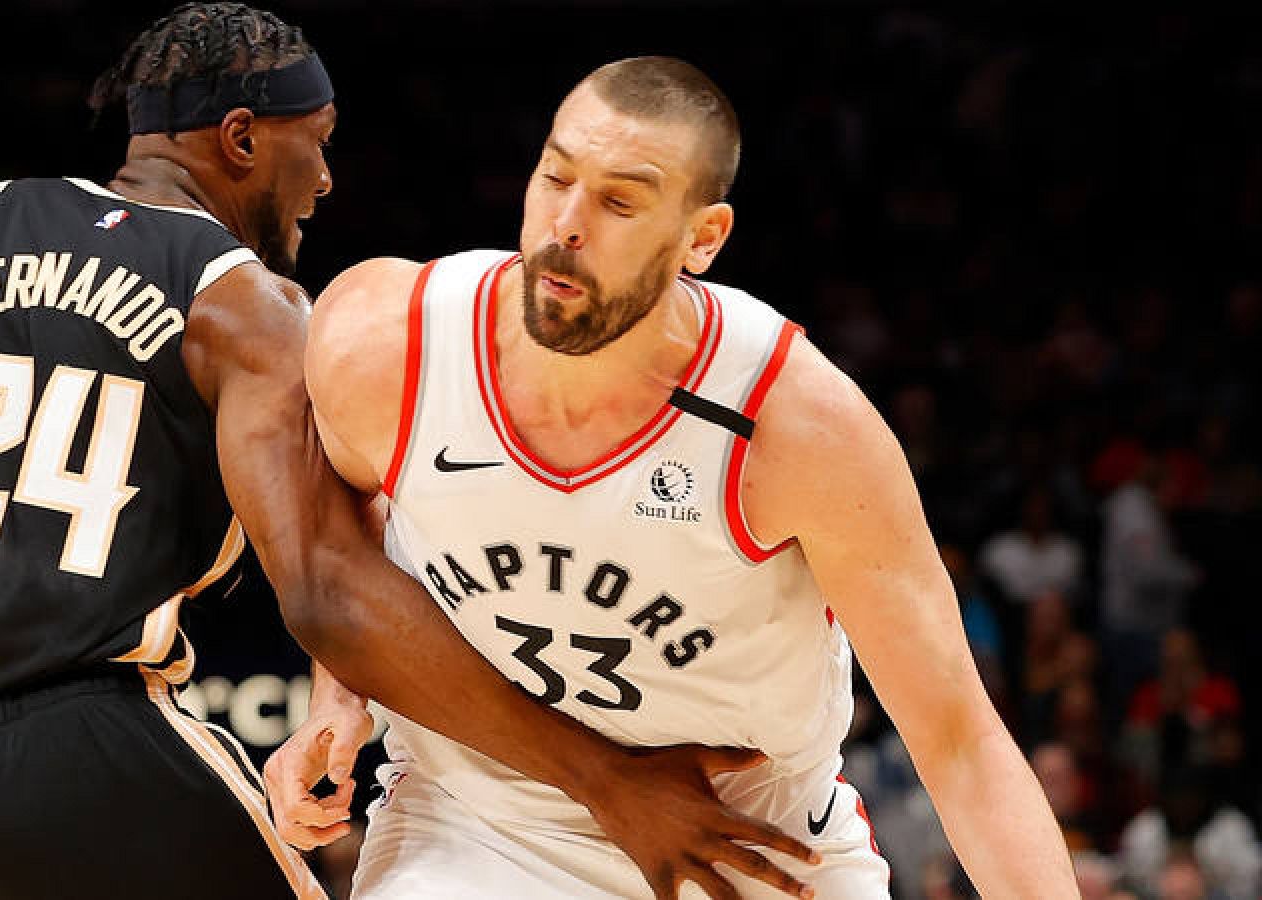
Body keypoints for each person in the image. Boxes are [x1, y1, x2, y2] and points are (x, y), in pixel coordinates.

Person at [0, 8, 820, 900]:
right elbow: (327, 594)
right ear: (240, 140)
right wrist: (607, 782)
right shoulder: (245, 306)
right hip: (91, 759)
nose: (326, 180)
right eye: (313, 148)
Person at [276, 56, 1078, 897]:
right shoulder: (387, 341)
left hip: (750, 846)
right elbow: (345, 540)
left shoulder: (798, 428)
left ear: (704, 238)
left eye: (620, 200)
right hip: (479, 827)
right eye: (555, 177)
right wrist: (339, 701)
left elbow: (961, 744)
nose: (567, 223)